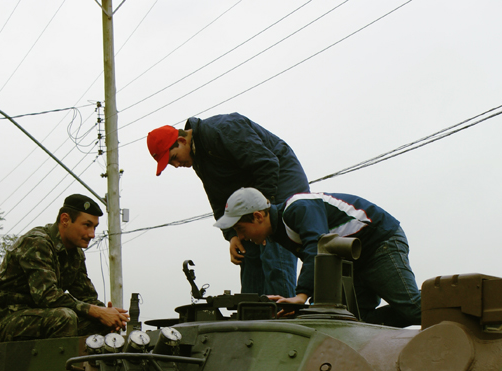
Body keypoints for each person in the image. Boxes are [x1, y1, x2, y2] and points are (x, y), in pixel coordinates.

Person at [147, 114, 310, 297]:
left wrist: (263, 214)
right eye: (171, 164)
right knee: (248, 256)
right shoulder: (199, 159)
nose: (176, 165)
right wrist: (233, 235)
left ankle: (282, 317)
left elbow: (267, 164)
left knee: (273, 255)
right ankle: (253, 319)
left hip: (280, 184)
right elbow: (218, 199)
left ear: (181, 140)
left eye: (174, 158)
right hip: (252, 196)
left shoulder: (222, 130)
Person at [215, 187, 422, 328]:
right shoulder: (279, 232)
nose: (241, 236)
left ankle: (448, 300)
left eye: (241, 229)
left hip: (378, 242)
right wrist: (306, 307)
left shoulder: (298, 208)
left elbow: (318, 247)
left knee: (412, 308)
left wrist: (301, 296)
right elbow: (321, 261)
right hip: (352, 262)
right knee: (355, 323)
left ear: (258, 216)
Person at [0, 195, 128, 342]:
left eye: (94, 227)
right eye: (87, 225)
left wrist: (111, 316)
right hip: (5, 318)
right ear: (65, 220)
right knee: (64, 317)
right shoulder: (37, 243)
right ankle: (64, 365)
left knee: (101, 323)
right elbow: (47, 296)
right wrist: (96, 311)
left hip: (42, 314)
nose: (92, 234)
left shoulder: (75, 253)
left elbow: (87, 297)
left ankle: (94, 365)